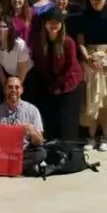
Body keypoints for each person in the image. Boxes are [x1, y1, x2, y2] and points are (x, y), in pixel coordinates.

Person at [76, 0, 107, 152]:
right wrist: (88, 58)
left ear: (105, 0)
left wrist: (104, 58)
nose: (97, 1)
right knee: (90, 98)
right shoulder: (82, 18)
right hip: (89, 59)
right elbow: (80, 42)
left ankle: (106, 137)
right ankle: (91, 136)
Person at [30, 9, 83, 143]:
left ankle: (67, 148)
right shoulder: (39, 41)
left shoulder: (68, 42)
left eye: (56, 23)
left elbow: (69, 67)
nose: (53, 26)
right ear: (45, 24)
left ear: (61, 24)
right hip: (49, 83)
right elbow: (38, 62)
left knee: (67, 121)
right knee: (50, 120)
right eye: (50, 22)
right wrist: (49, 83)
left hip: (69, 84)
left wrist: (57, 84)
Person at [0, 76, 46, 149]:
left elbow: (40, 142)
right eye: (10, 87)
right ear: (4, 90)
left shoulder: (32, 110)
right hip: (1, 151)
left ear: (22, 90)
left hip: (24, 151)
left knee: (40, 152)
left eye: (17, 87)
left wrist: (32, 131)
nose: (13, 90)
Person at [0, 16, 31, 86]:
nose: (1, 30)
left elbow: (23, 69)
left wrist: (15, 88)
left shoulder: (19, 44)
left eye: (5, 27)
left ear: (10, 29)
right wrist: (5, 86)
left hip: (26, 76)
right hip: (11, 76)